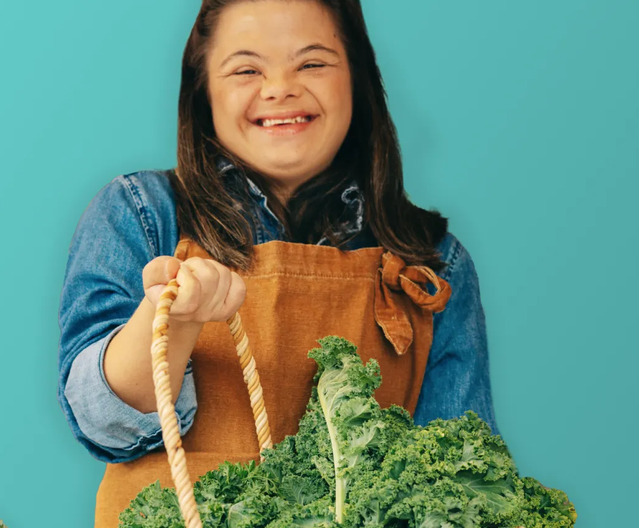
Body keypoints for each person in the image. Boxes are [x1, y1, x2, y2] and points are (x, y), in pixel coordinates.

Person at [56, 1, 499, 525]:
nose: (279, 88)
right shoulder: (142, 214)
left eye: (312, 63)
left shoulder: (433, 263)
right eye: (246, 69)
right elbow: (100, 423)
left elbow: (463, 479)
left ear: (356, 76)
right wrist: (173, 321)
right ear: (204, 91)